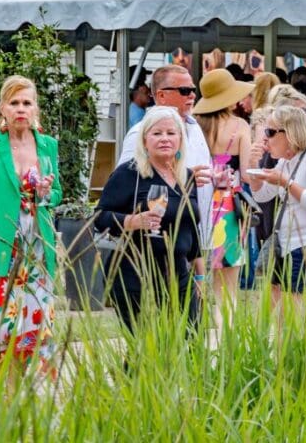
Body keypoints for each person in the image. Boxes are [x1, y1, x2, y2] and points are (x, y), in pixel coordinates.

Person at [0, 76, 61, 374]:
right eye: (14, 102)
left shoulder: (48, 146)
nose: (21, 108)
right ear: (3, 108)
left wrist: (47, 192)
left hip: (37, 254)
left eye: (27, 103)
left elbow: (56, 194)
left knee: (33, 328)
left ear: (35, 109)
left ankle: (26, 395)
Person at [96, 107, 205, 334]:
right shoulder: (129, 173)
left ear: (180, 139)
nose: (165, 138)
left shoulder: (187, 176)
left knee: (191, 339)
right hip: (135, 271)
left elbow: (192, 229)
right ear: (145, 140)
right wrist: (131, 221)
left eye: (171, 133)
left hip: (178, 273)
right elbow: (99, 217)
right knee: (144, 347)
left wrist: (200, 275)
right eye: (157, 133)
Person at [248, 106, 306, 308]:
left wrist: (287, 183)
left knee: (294, 316)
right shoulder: (285, 162)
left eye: (270, 132)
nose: (265, 139)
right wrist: (253, 166)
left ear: (290, 132)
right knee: (275, 317)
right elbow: (262, 195)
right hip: (284, 246)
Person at [119, 65, 213, 244]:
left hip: (198, 235)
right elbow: (125, 184)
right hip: (159, 239)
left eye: (193, 90)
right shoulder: (140, 133)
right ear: (161, 96)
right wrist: (178, 177)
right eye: (185, 91)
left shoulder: (194, 127)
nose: (192, 96)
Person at [192, 69, 254, 328]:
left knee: (197, 271)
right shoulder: (240, 126)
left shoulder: (194, 124)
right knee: (228, 280)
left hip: (196, 198)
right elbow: (248, 174)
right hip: (227, 203)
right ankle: (223, 333)